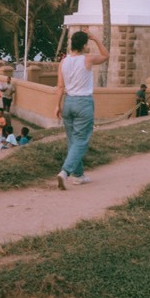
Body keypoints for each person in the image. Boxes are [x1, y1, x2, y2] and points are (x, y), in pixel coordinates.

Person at [55, 30, 109, 190]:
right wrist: (96, 39)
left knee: (73, 140)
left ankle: (78, 176)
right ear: (85, 45)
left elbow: (60, 86)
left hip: (68, 102)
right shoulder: (87, 59)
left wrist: (57, 105)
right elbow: (106, 55)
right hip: (83, 103)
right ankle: (65, 172)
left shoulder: (63, 62)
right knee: (81, 140)